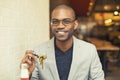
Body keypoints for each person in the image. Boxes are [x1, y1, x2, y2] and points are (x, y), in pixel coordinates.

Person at [20, 4, 105, 80]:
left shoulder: (89, 50)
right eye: (55, 21)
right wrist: (27, 74)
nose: (60, 26)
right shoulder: (39, 51)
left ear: (75, 24)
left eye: (66, 21)